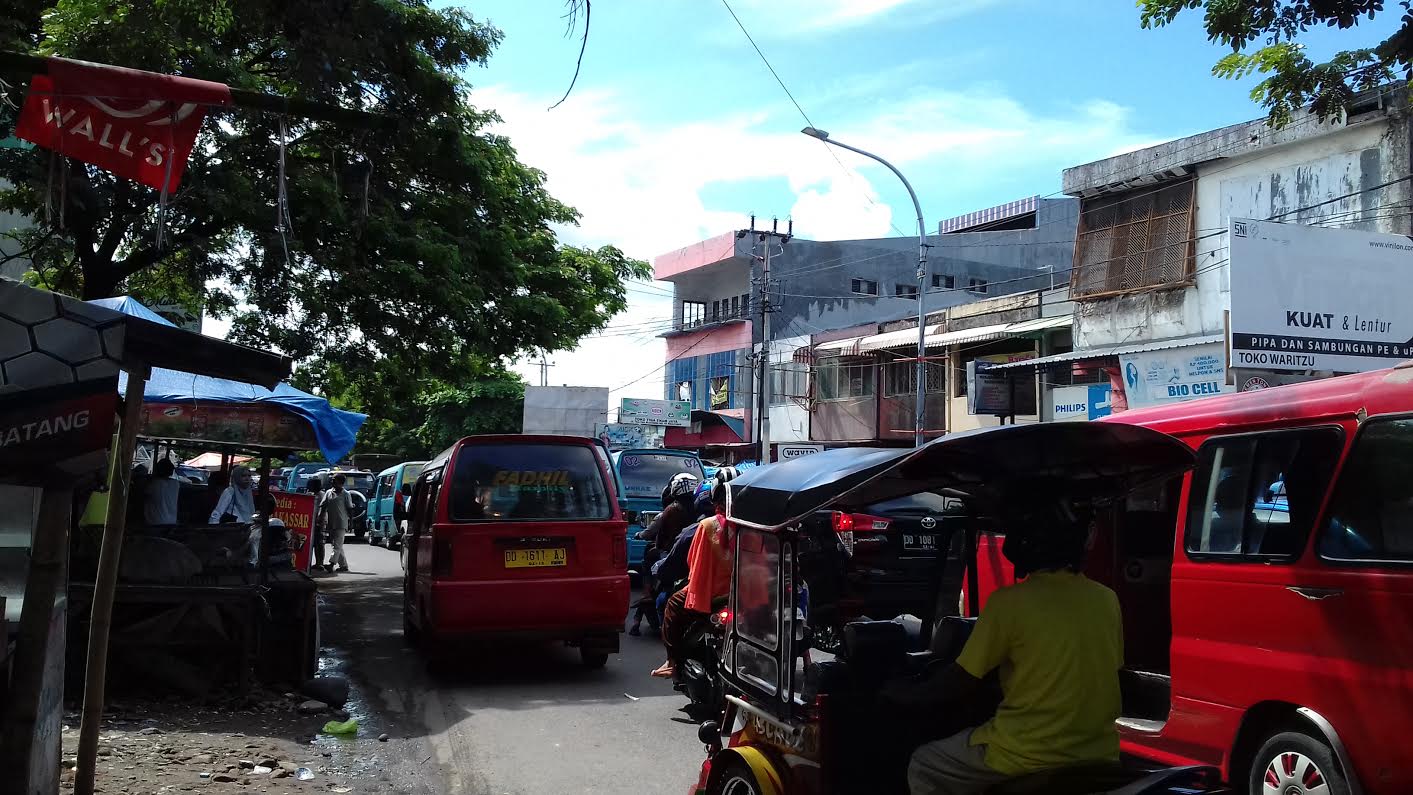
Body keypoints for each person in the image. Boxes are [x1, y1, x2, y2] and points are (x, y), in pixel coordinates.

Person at [896, 491, 1123, 795]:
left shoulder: (1008, 603)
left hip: (1025, 753)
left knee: (924, 764)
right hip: (1099, 754)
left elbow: (960, 680)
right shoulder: (1107, 599)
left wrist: (906, 695)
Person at [653, 467, 737, 678]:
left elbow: (694, 561)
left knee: (672, 604)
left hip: (711, 594)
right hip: (743, 595)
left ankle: (672, 662)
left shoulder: (706, 526)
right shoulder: (750, 524)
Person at [630, 474, 699, 636]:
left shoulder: (670, 511)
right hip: (691, 555)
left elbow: (656, 537)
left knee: (648, 556)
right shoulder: (699, 512)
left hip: (672, 552)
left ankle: (647, 593)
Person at [319, 474, 354, 573]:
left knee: (337, 545)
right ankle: (343, 565)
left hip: (341, 523)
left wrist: (351, 522)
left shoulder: (346, 494)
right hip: (331, 523)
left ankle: (331, 564)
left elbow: (350, 509)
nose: (332, 481)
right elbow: (323, 506)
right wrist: (320, 518)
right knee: (336, 545)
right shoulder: (328, 492)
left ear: (340, 482)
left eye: (334, 480)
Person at [143, 459, 181, 526]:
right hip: (172, 521)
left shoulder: (155, 483)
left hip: (155, 521)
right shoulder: (175, 483)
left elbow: (143, 495)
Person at [307, 476, 327, 571]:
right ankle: (317, 562)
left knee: (319, 543)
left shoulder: (321, 495)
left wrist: (319, 520)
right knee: (314, 543)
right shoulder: (313, 494)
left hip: (320, 522)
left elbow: (322, 509)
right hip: (313, 522)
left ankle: (320, 563)